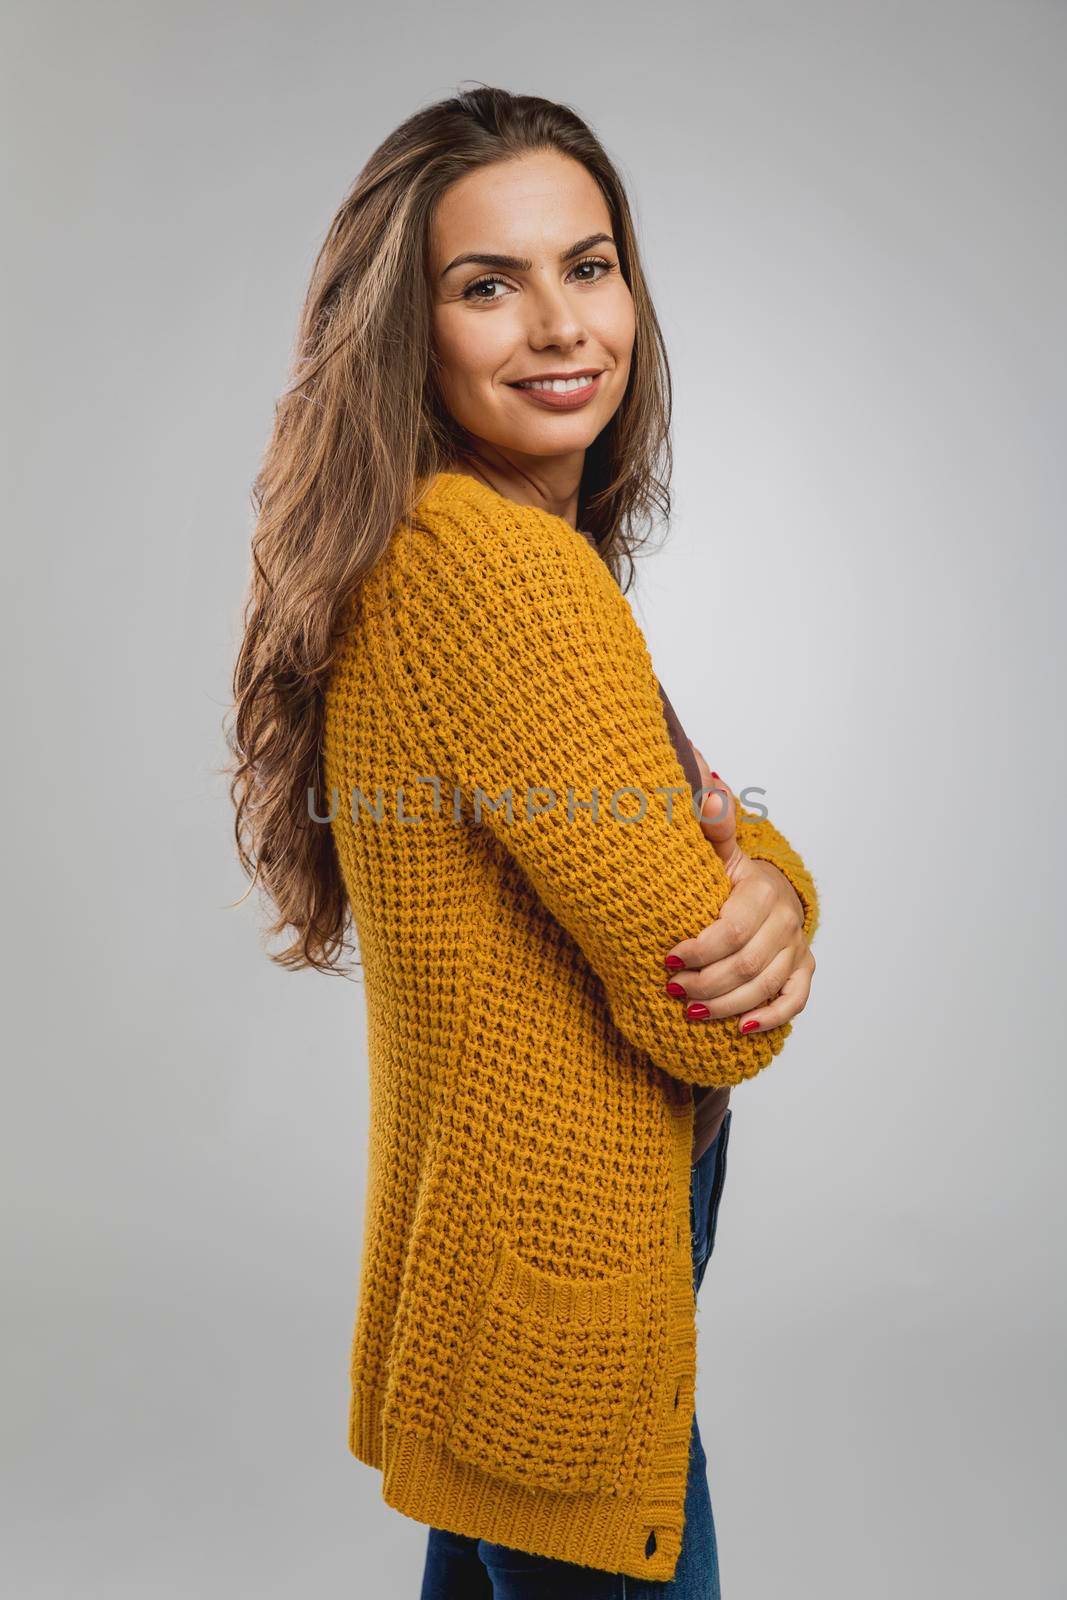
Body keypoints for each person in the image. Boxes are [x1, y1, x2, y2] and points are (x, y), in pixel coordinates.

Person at [228, 84, 819, 1598]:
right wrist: (775, 888)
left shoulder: (425, 547)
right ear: (406, 332)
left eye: (590, 264)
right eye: (488, 285)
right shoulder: (500, 577)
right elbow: (714, 1017)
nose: (562, 326)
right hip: (563, 1310)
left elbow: (653, 827)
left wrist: (763, 878)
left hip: (486, 1294)